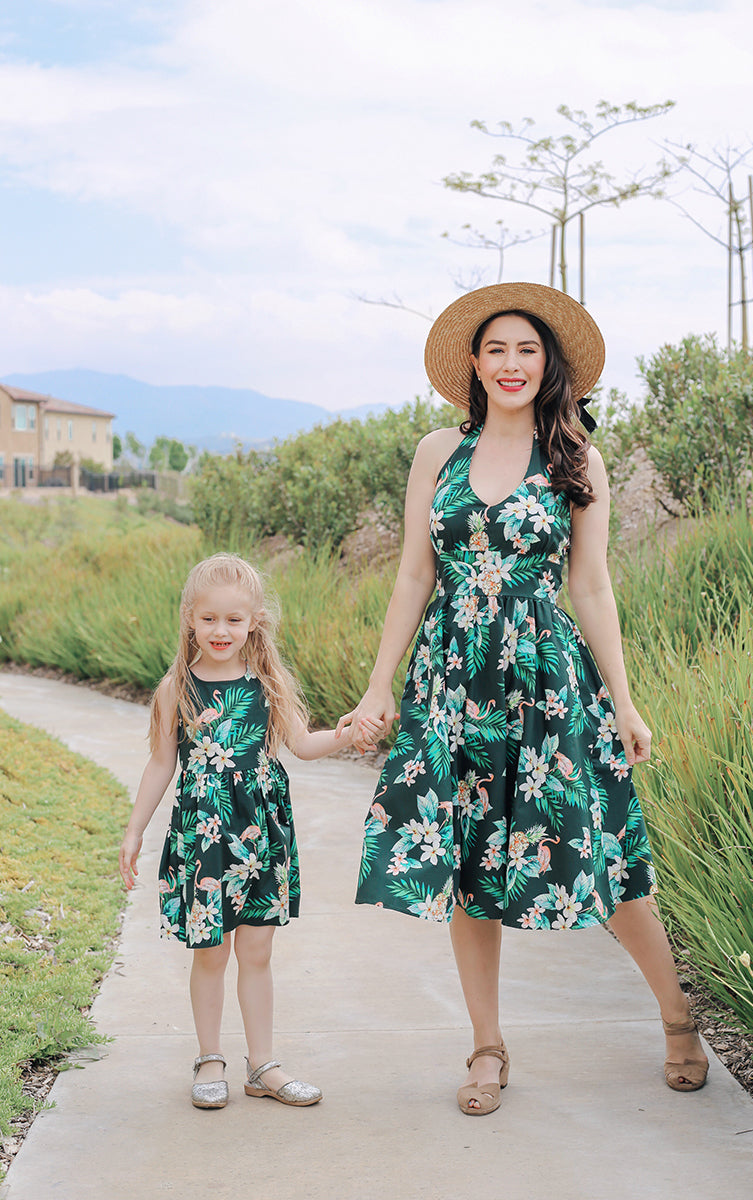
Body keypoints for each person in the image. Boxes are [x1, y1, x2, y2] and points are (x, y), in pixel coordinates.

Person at [337, 282, 708, 1115]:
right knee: (469, 865)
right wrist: (378, 682)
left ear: (550, 365)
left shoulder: (577, 457)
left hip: (548, 681)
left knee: (608, 848)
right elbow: (413, 572)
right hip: (453, 681)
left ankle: (678, 1018)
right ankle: (486, 1047)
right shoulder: (438, 452)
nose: (511, 364)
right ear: (473, 363)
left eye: (527, 350)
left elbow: (593, 586)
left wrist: (625, 700)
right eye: (497, 349)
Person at [119, 552, 380, 1110]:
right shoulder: (177, 690)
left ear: (255, 620)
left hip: (260, 837)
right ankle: (209, 1058)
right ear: (190, 617)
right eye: (210, 618)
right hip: (205, 837)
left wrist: (347, 733)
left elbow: (304, 746)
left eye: (234, 619)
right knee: (211, 951)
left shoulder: (268, 685)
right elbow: (161, 764)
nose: (221, 630)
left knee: (257, 950)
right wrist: (135, 830)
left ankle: (263, 1065)